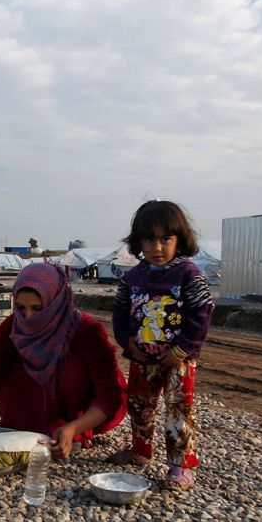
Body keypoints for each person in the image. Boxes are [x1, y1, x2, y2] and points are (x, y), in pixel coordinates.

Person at [0, 263, 125, 460]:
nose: (28, 317)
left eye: (37, 308)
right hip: (21, 424)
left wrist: (73, 428)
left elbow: (109, 393)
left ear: (55, 301)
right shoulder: (12, 328)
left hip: (77, 419)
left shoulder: (86, 331)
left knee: (71, 371)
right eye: (20, 308)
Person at [109, 200, 214, 490]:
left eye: (164, 239)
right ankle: (141, 451)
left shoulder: (189, 275)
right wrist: (127, 342)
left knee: (178, 410)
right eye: (148, 239)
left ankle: (180, 465)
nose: (156, 247)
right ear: (138, 241)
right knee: (139, 405)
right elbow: (119, 312)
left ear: (180, 239)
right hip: (142, 357)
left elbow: (202, 313)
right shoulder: (132, 278)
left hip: (178, 360)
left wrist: (181, 350)